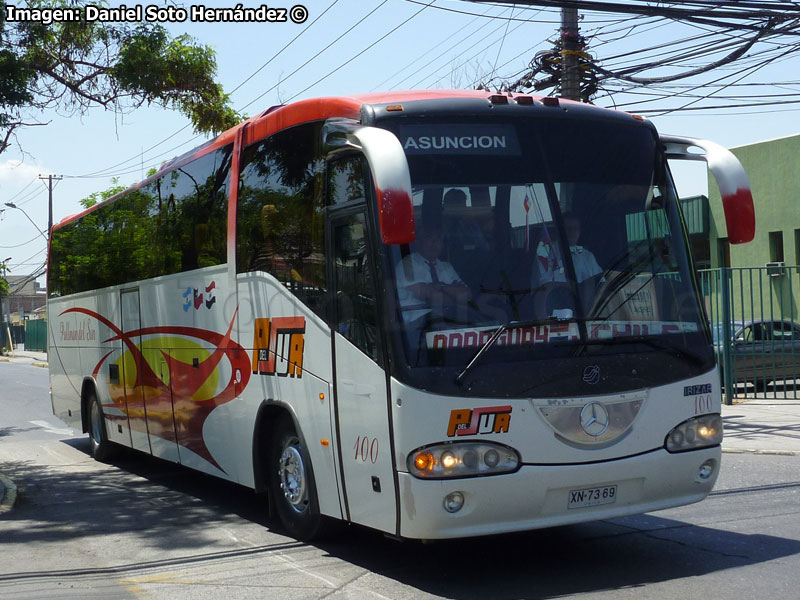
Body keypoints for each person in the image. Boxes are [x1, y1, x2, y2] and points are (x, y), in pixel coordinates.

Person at [396, 224, 471, 324]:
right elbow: (428, 295)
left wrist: (440, 287)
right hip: (416, 325)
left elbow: (466, 294)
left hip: (446, 319)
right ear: (417, 242)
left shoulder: (446, 267)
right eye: (428, 237)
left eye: (438, 238)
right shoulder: (407, 264)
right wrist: (453, 294)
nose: (434, 243)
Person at [531, 213, 603, 317]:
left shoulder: (587, 256)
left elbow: (600, 285)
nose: (572, 232)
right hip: (553, 303)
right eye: (568, 228)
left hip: (582, 308)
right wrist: (572, 286)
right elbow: (544, 286)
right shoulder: (546, 251)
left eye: (575, 228)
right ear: (559, 230)